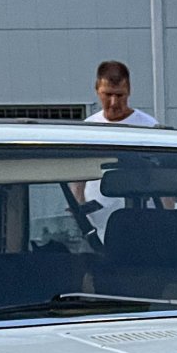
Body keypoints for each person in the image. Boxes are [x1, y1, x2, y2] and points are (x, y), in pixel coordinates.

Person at [72, 60, 159, 236]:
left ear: (129, 92)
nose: (113, 102)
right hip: (97, 228)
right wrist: (79, 214)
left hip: (144, 224)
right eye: (107, 94)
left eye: (120, 95)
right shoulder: (86, 130)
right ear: (97, 90)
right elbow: (76, 180)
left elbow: (164, 185)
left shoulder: (150, 129)